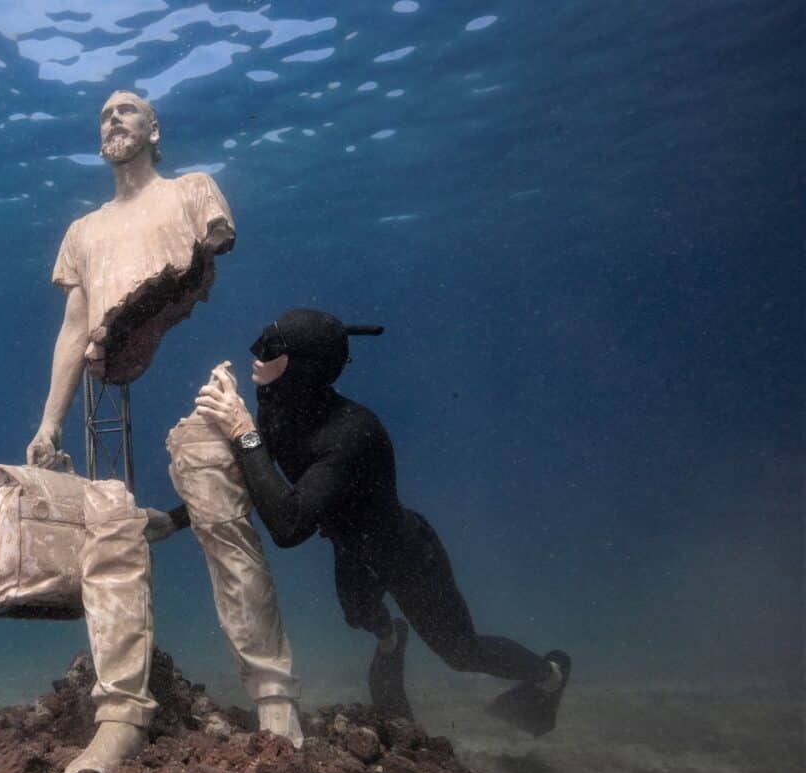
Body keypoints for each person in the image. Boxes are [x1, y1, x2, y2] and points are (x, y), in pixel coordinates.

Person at [25, 91, 301, 773]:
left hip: (213, 382)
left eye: (127, 110)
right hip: (106, 393)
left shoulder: (194, 192)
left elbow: (213, 249)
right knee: (108, 531)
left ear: (155, 128)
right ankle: (120, 714)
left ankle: (273, 697)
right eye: (103, 114)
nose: (112, 118)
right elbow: (72, 329)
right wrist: (48, 421)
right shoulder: (84, 231)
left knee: (221, 518)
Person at [154, 308, 571, 736]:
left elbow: (289, 526)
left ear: (302, 365)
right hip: (352, 549)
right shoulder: (280, 409)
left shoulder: (353, 433)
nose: (256, 357)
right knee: (360, 617)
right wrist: (171, 521)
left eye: (270, 349)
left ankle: (550, 674)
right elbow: (254, 481)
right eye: (260, 343)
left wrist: (243, 432)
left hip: (407, 555)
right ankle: (393, 638)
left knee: (461, 654)